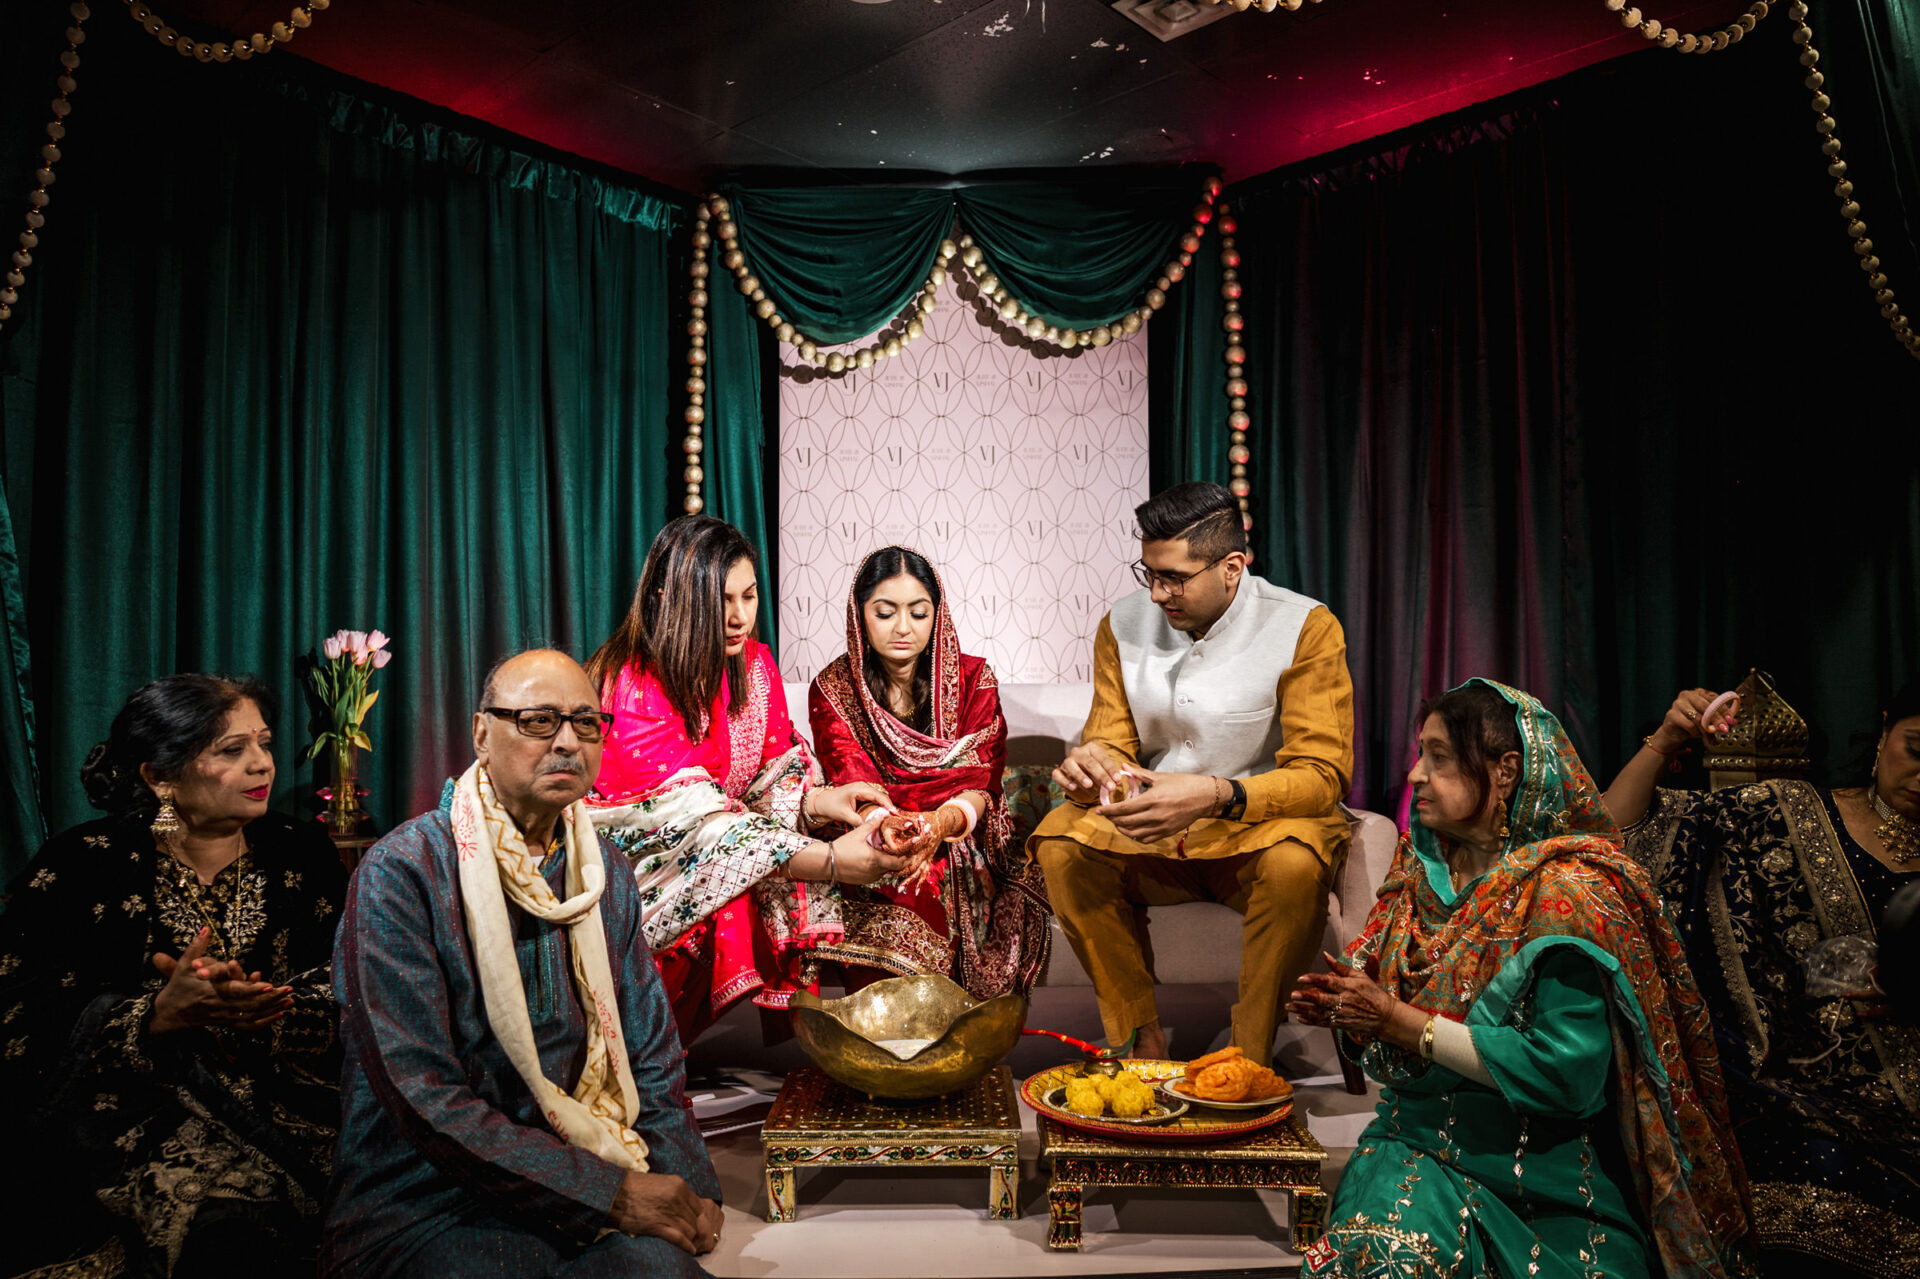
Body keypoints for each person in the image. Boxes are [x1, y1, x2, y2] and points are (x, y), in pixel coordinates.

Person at [1290, 678, 1756, 1278]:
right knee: (1382, 1262)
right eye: (1419, 754)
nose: (1413, 775)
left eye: (1439, 757)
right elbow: (1374, 974)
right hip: (1416, 1145)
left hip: (1550, 1171)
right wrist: (1345, 1006)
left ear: (1505, 771)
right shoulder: (1418, 867)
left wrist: (1396, 1021)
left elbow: (1569, 1079)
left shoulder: (1567, 895)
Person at [325, 649, 723, 1278]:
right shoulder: (404, 873)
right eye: (539, 721)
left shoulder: (605, 873)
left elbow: (652, 1056)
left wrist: (687, 1187)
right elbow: (420, 1094)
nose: (567, 742)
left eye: (586, 723)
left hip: (598, 1164)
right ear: (482, 733)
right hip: (432, 1197)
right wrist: (607, 1195)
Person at [0, 674, 345, 1279]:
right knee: (219, 1228)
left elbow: (354, 974)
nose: (262, 764)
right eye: (231, 751)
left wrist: (275, 1006)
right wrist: (156, 1016)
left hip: (294, 1096)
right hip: (129, 1110)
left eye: (263, 743)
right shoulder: (81, 865)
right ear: (159, 777)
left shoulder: (303, 851)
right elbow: (18, 1014)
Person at [1603, 680, 1920, 1278]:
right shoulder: (1782, 812)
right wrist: (1664, 741)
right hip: (1802, 1098)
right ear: (1882, 733)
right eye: (1918, 750)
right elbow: (1611, 842)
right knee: (1809, 1178)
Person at [1032, 481, 1353, 1066]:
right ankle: (1138, 1039)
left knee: (1294, 865)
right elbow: (1112, 739)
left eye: (1174, 578)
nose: (1157, 594)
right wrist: (1092, 769)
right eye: (1148, 573)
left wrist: (1213, 795)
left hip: (1256, 831)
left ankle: (1247, 1057)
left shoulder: (1304, 627)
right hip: (1154, 839)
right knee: (1059, 843)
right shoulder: (1122, 625)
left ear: (1232, 567)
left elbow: (1322, 774)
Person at [584, 515, 909, 1045]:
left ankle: (878, 1045)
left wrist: (823, 802)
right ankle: (641, 1051)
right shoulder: (632, 685)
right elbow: (690, 824)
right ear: (669, 597)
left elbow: (775, 769)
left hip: (722, 835)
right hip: (635, 865)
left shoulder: (753, 665)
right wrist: (833, 863)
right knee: (730, 880)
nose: (739, 617)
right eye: (722, 601)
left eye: (750, 596)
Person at [807, 546, 1052, 998]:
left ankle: (946, 1034)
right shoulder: (833, 688)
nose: (903, 628)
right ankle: (875, 1030)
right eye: (885, 612)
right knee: (881, 875)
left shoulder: (976, 680)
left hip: (959, 832)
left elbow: (982, 785)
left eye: (918, 613)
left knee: (936, 876)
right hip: (872, 826)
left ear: (936, 615)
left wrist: (937, 825)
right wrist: (893, 831)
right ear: (860, 615)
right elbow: (853, 780)